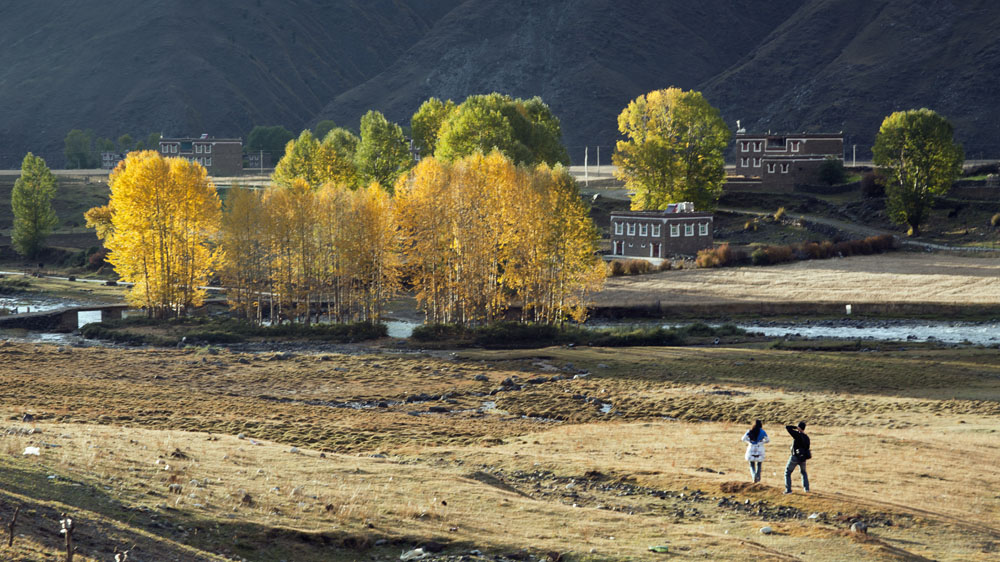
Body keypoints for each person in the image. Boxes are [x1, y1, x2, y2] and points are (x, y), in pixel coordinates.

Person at [784, 421, 811, 494]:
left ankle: (788, 490)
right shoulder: (807, 437)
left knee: (787, 472)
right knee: (803, 472)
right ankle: (806, 489)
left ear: (799, 427)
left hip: (795, 457)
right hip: (803, 458)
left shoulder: (797, 435)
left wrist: (795, 427)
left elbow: (787, 427)